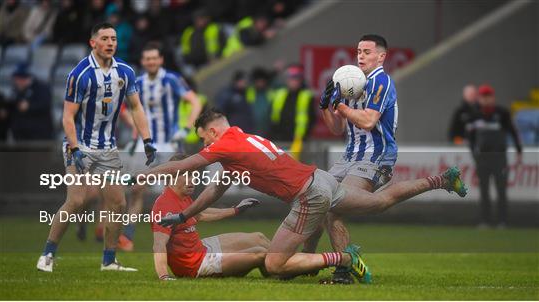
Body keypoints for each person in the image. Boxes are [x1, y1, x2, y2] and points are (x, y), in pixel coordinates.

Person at [141, 108, 468, 282]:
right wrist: (184, 216)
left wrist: (138, 175)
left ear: (213, 132)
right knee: (380, 202)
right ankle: (440, 180)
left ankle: (344, 258)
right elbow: (215, 189)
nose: (204, 147)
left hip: (308, 194)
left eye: (204, 140)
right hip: (319, 179)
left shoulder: (225, 143)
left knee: (274, 263)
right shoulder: (243, 138)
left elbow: (184, 164)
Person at [36, 22, 156, 272]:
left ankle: (109, 260)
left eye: (113, 38)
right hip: (79, 145)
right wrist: (76, 148)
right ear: (93, 43)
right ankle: (47, 255)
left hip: (108, 148)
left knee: (118, 203)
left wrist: (146, 140)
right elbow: (68, 117)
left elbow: (136, 107)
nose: (111, 42)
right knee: (77, 200)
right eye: (105, 38)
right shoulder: (80, 74)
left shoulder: (124, 71)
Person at [316, 34, 398, 284]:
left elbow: (368, 120)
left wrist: (341, 107)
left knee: (334, 205)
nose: (360, 55)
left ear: (381, 56)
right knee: (313, 199)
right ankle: (303, 262)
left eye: (367, 51)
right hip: (348, 157)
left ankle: (344, 271)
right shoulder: (352, 81)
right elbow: (337, 129)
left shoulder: (380, 81)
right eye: (359, 51)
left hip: (376, 157)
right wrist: (325, 106)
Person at [120, 42, 202, 250]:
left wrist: (185, 128)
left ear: (161, 60)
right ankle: (128, 236)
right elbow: (122, 107)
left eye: (154, 58)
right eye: (147, 59)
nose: (151, 62)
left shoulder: (171, 79)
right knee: (137, 188)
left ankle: (179, 236)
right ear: (143, 61)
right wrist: (134, 125)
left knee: (175, 190)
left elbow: (195, 101)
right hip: (145, 143)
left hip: (168, 143)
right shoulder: (137, 82)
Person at [152, 153, 269, 280]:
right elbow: (158, 245)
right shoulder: (164, 206)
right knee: (260, 253)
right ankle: (282, 269)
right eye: (187, 175)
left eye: (194, 175)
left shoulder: (181, 196)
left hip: (202, 248)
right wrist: (164, 276)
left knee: (259, 237)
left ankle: (284, 263)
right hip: (196, 266)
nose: (192, 180)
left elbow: (200, 214)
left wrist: (236, 210)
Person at [468, 84, 522, 228]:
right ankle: (485, 221)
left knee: (501, 190)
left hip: (499, 158)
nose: (486, 100)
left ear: (493, 97)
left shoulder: (502, 113)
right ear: (479, 98)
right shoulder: (475, 115)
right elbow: (471, 138)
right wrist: (475, 155)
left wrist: (519, 151)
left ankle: (503, 221)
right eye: (483, 97)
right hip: (483, 159)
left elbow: (513, 132)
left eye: (488, 96)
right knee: (484, 191)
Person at [269, 64, 315, 160]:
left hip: (298, 140)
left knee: (296, 167)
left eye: (296, 79)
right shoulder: (279, 94)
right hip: (279, 139)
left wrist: (304, 135)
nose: (293, 81)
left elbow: (312, 118)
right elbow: (272, 115)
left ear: (300, 80)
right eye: (291, 78)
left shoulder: (306, 96)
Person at [9, 63, 54, 141]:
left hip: (39, 135)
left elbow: (45, 104)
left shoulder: (41, 88)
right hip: (21, 136)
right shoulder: (16, 91)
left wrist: (29, 107)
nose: (17, 82)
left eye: (19, 79)